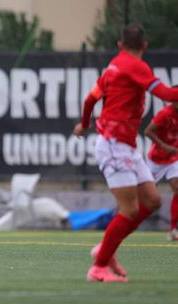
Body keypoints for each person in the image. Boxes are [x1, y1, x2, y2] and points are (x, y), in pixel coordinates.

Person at [73, 24, 178, 282]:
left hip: (125, 145)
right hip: (113, 145)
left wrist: (85, 124)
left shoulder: (113, 66)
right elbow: (165, 93)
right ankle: (99, 266)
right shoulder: (136, 66)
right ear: (145, 46)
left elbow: (90, 100)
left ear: (120, 45)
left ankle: (107, 251)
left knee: (152, 201)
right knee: (129, 210)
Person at [144, 102, 178, 241]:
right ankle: (125, 221)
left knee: (177, 188)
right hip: (156, 160)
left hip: (174, 158)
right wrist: (164, 146)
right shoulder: (165, 114)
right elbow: (147, 131)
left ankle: (173, 229)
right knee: (147, 196)